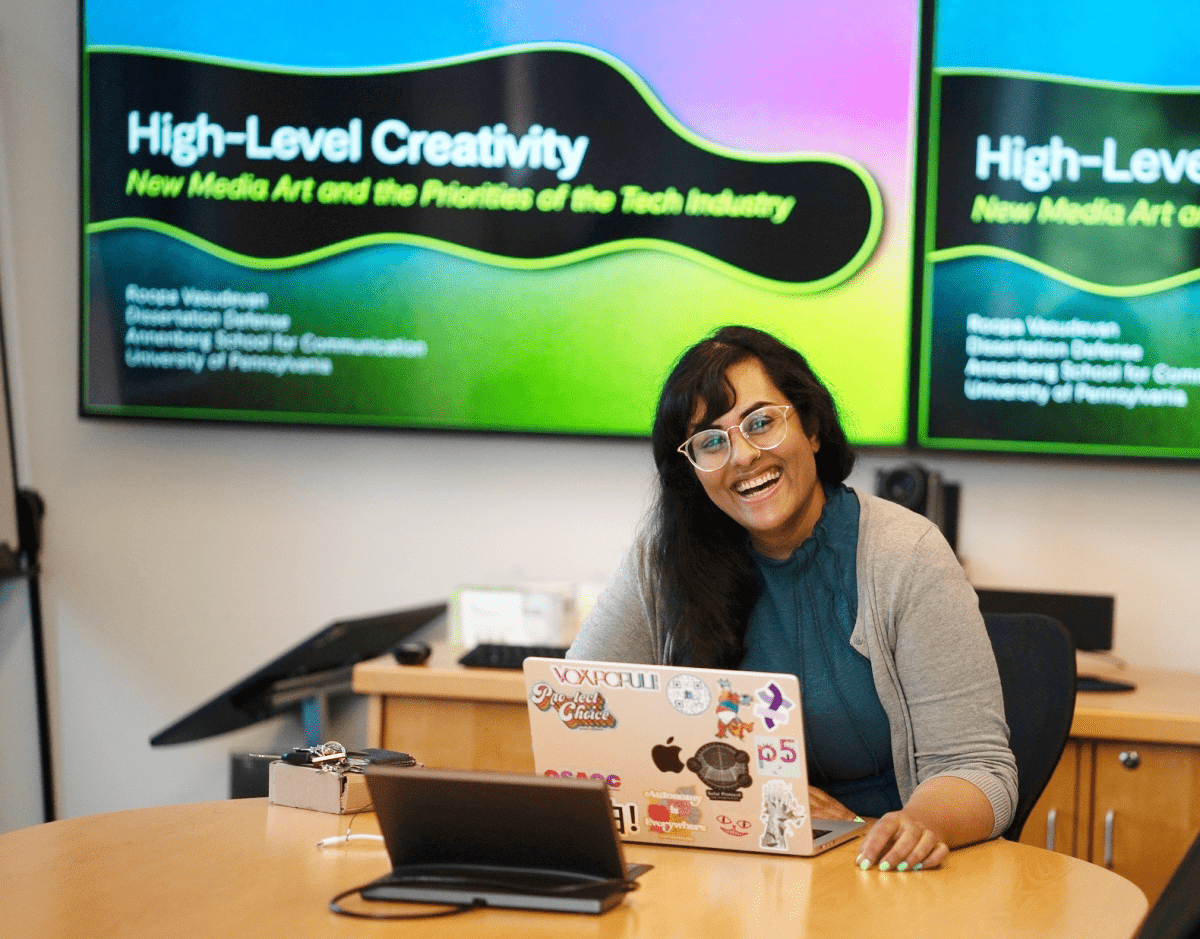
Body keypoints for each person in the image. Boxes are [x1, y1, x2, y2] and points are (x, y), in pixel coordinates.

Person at [568, 325, 1017, 872]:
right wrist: (758, 794)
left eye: (761, 423)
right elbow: (580, 719)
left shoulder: (906, 554)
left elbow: (980, 770)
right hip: (720, 877)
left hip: (877, 872)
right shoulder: (664, 559)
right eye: (712, 441)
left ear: (811, 427)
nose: (742, 457)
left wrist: (917, 825)